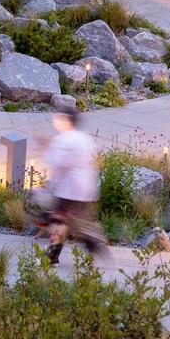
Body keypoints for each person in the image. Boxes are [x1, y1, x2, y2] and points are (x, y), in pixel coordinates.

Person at [31, 105, 108, 265]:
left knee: (59, 221)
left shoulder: (64, 139)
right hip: (85, 188)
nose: (55, 121)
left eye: (57, 118)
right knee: (73, 220)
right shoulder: (84, 138)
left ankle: (52, 257)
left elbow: (58, 161)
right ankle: (92, 242)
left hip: (68, 189)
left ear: (66, 120)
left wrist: (46, 145)